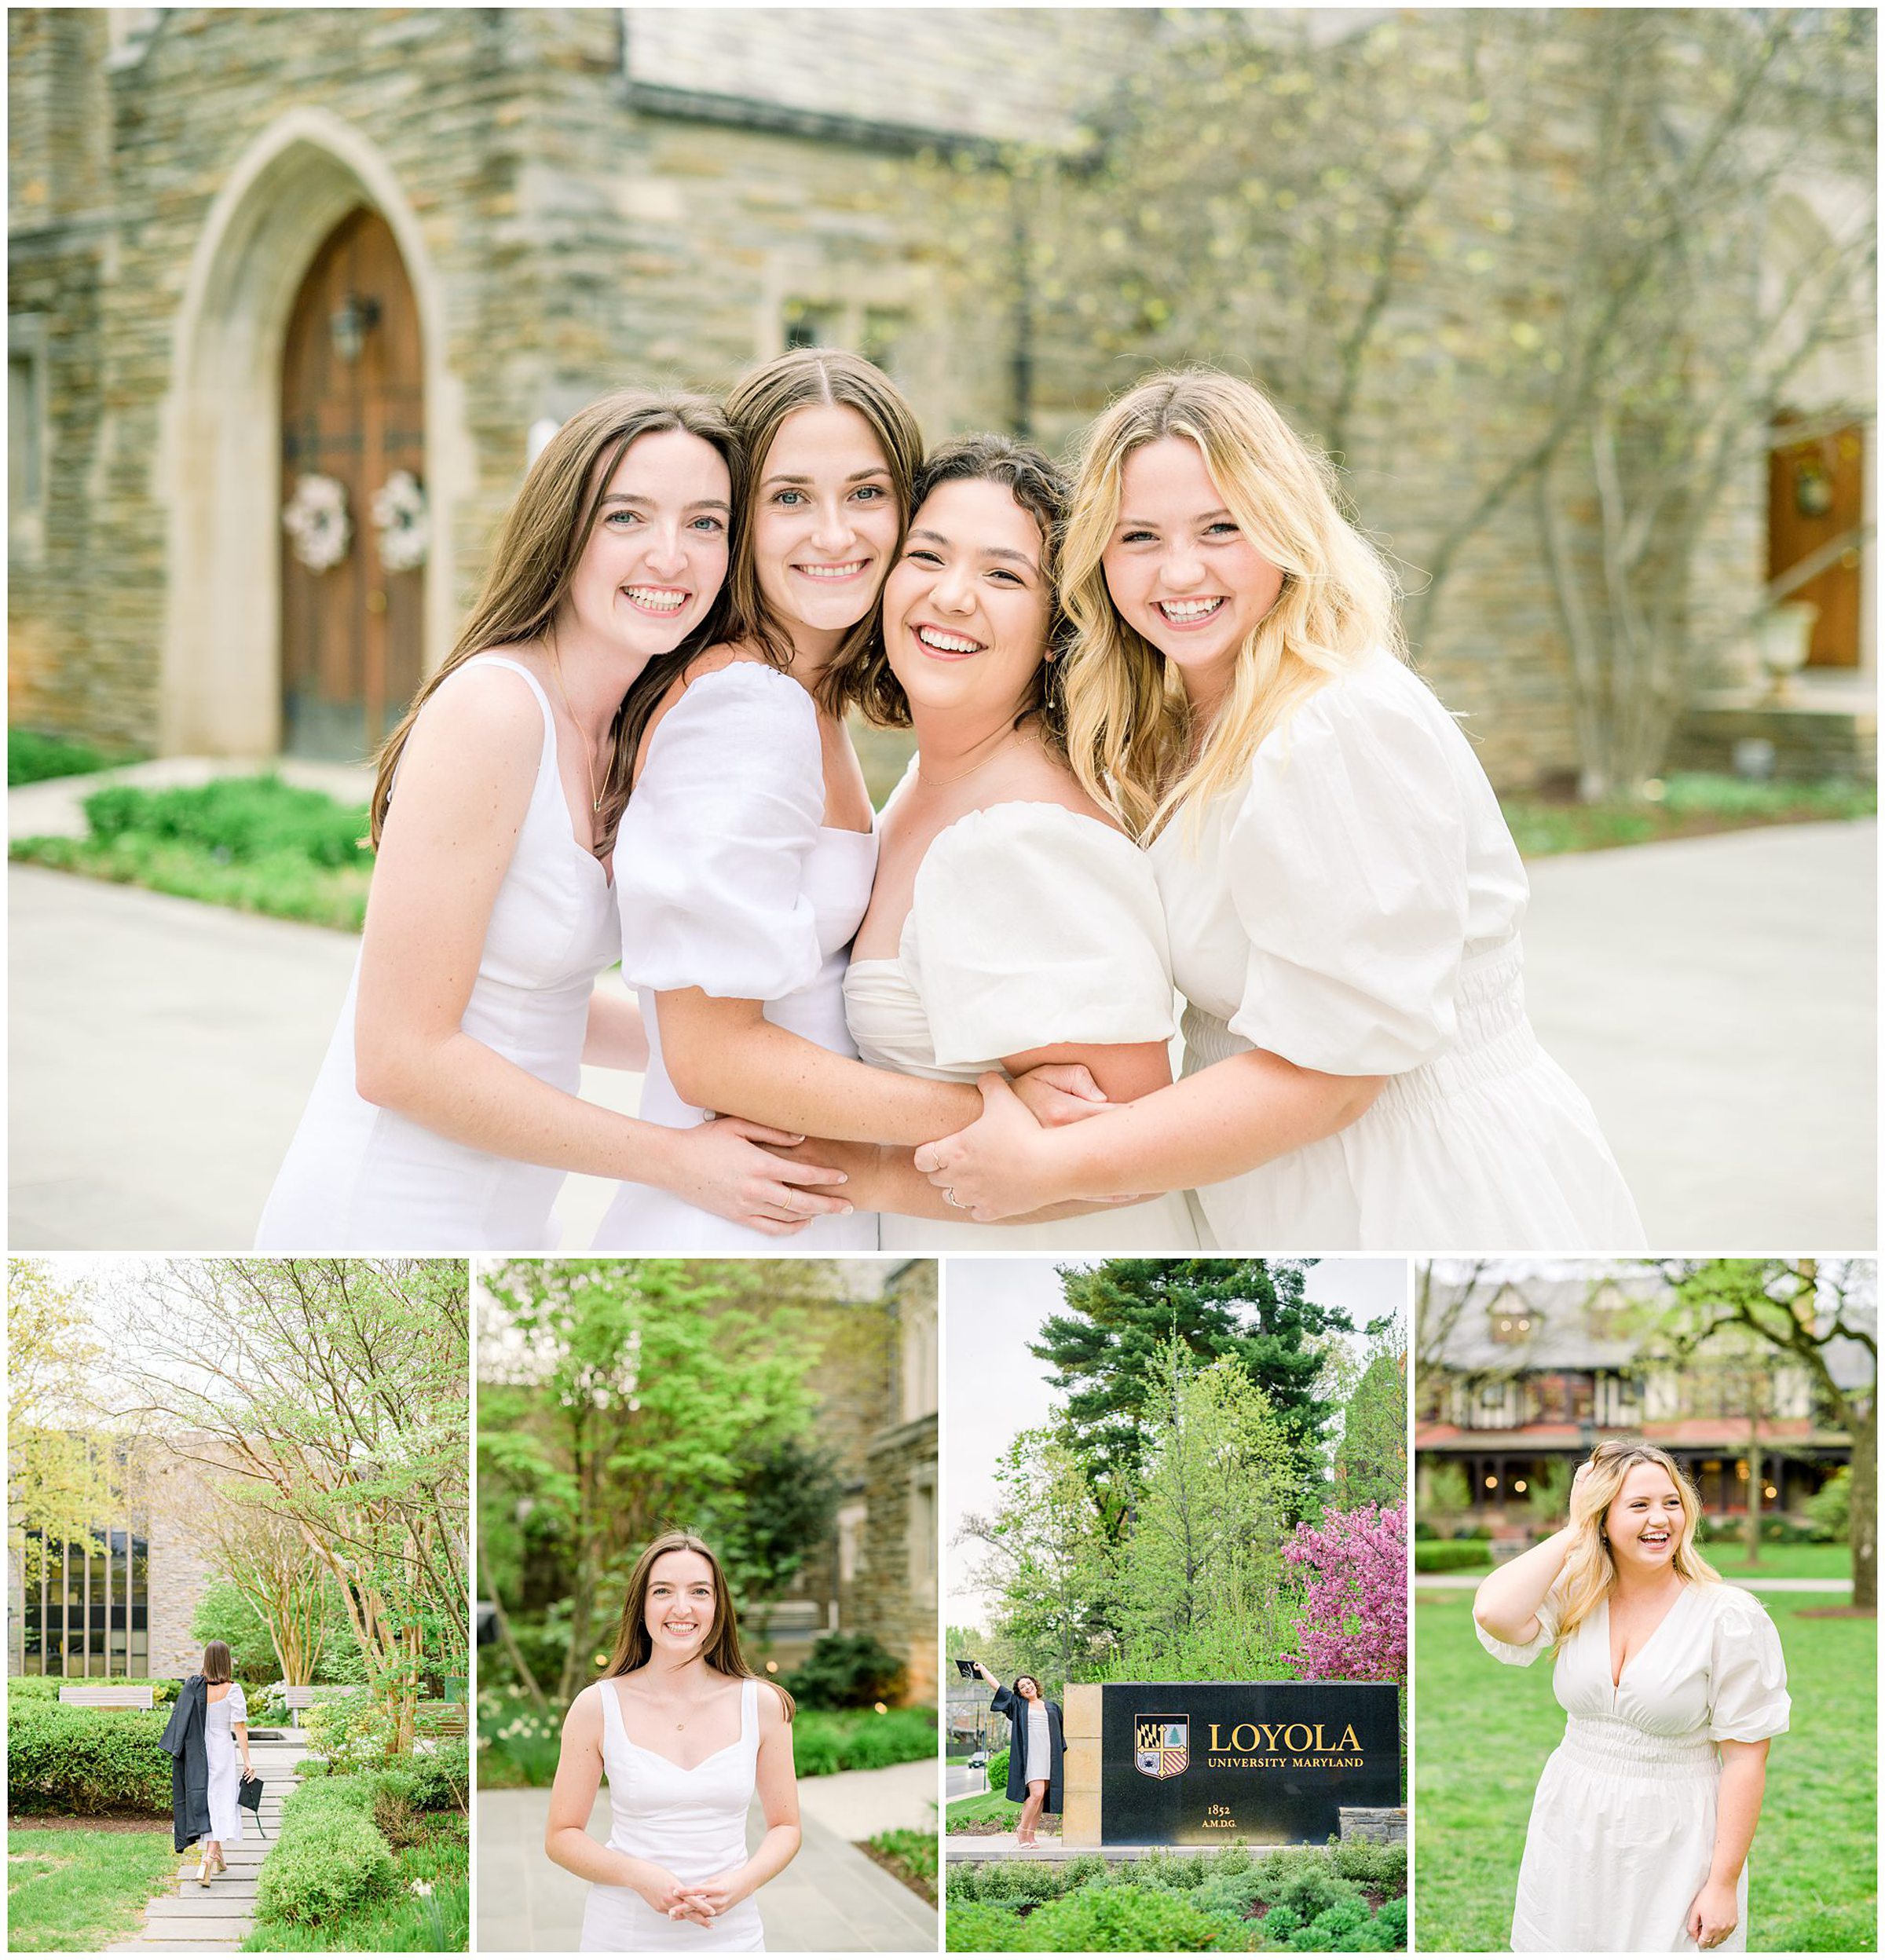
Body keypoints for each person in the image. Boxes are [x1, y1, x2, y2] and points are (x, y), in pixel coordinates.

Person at [911, 366, 1646, 1252]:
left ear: (1286, 526)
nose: (1179, 571)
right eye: (1138, 535)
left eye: (1221, 528)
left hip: (1410, 1186)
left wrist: (1054, 1166)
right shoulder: (1184, 716)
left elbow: (1338, 1075)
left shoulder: (1335, 725)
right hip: (1288, 1182)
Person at [256, 389, 851, 1249]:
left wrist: (753, 1061)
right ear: (563, 529)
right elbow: (399, 1057)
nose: (671, 557)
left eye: (705, 523)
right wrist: (678, 1157)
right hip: (383, 1214)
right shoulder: (495, 710)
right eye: (627, 516)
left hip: (509, 1216)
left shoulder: (634, 727)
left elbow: (540, 1002)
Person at [591, 353, 1100, 1249]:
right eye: (790, 498)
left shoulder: (808, 700)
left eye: (866, 494)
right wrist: (987, 1107)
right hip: (747, 1221)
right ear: (741, 519)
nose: (834, 535)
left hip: (807, 1198)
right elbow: (709, 1052)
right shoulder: (748, 705)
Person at [833, 433, 1195, 1249]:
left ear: (1057, 628)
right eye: (928, 557)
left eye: (1003, 575)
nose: (952, 596)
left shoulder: (1021, 840)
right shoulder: (927, 787)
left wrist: (852, 1174)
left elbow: (1129, 1158)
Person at [1472, 1441, 1790, 1951]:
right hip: (1572, 1820)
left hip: (1677, 1832)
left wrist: (1722, 1883)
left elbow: (1746, 1759)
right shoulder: (1579, 1593)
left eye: (1671, 1502)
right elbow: (1494, 1613)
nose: (1659, 1518)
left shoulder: (1728, 1616)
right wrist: (1575, 1532)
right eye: (1638, 1505)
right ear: (1603, 1517)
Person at [547, 1533, 799, 1951]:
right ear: (640, 1605)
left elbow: (787, 1826)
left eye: (699, 1592)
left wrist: (742, 1883)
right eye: (662, 1591)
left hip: (731, 1935)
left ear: (717, 1607)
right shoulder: (597, 1707)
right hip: (624, 1935)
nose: (682, 1608)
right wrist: (638, 1875)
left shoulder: (762, 1704)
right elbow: (561, 1835)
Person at [169, 1640, 251, 1888]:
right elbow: (240, 1728)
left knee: (208, 1801)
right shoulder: (233, 1690)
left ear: (206, 1660)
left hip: (198, 1751)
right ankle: (206, 1860)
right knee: (223, 1801)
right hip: (222, 1750)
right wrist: (248, 1762)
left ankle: (219, 1859)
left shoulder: (194, 1687)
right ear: (226, 1661)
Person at [973, 1663, 1063, 1850]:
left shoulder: (1052, 1707)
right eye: (1022, 1687)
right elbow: (997, 1687)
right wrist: (982, 1669)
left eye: (1028, 1683)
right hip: (1031, 1755)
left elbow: (1061, 1730)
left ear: (1035, 1685)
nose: (1027, 1687)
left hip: (1050, 1756)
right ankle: (1022, 1830)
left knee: (1041, 1797)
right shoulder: (1019, 1705)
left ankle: (1031, 1834)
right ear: (1020, 1693)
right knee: (1036, 1793)